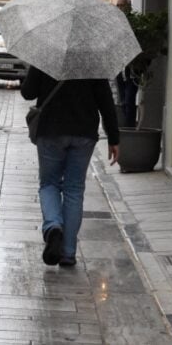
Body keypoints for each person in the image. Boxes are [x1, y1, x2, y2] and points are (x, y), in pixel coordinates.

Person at [21, 68, 119, 267]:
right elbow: (106, 101)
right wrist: (114, 138)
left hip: (50, 130)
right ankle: (68, 252)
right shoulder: (92, 60)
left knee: (49, 184)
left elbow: (27, 92)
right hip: (84, 132)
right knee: (74, 189)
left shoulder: (46, 54)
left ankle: (53, 225)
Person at [115, 0, 138, 127]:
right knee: (123, 99)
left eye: (121, 5)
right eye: (117, 5)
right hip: (120, 67)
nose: (119, 8)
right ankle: (124, 127)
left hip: (132, 67)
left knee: (129, 99)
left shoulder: (134, 23)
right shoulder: (115, 24)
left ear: (129, 7)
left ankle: (129, 127)